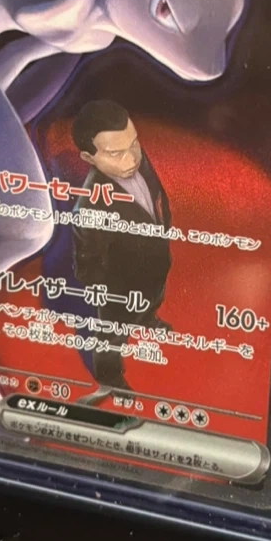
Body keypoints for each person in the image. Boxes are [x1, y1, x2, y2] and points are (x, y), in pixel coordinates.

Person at [71, 99, 172, 389]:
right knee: (111, 332)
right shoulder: (89, 206)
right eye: (115, 153)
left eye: (134, 143)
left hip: (155, 261)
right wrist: (108, 292)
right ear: (89, 158)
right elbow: (87, 263)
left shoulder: (138, 159)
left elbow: (156, 196)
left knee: (153, 297)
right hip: (118, 286)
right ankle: (109, 375)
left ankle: (147, 318)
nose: (131, 160)